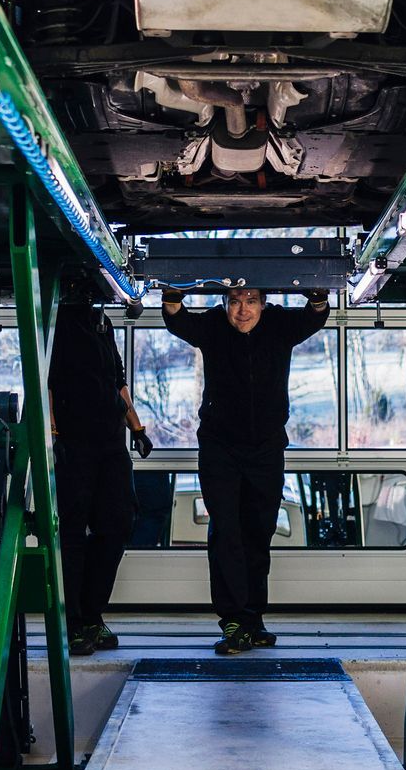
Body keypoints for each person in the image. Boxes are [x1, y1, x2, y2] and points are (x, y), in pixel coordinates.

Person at [161, 284, 330, 654]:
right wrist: (173, 293)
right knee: (226, 532)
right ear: (225, 304)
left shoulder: (280, 325)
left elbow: (314, 316)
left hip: (267, 448)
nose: (242, 311)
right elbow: (177, 320)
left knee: (259, 531)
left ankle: (253, 618)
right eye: (235, 302)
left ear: (264, 304)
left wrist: (316, 292)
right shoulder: (212, 327)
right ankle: (234, 619)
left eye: (251, 301)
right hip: (220, 448)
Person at [47, 273, 151, 657]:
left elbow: (117, 384)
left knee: (118, 523)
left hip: (111, 443)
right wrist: (53, 436)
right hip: (73, 443)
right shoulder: (54, 325)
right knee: (72, 532)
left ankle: (92, 614)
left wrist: (137, 428)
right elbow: (47, 384)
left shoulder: (102, 324)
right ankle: (72, 623)